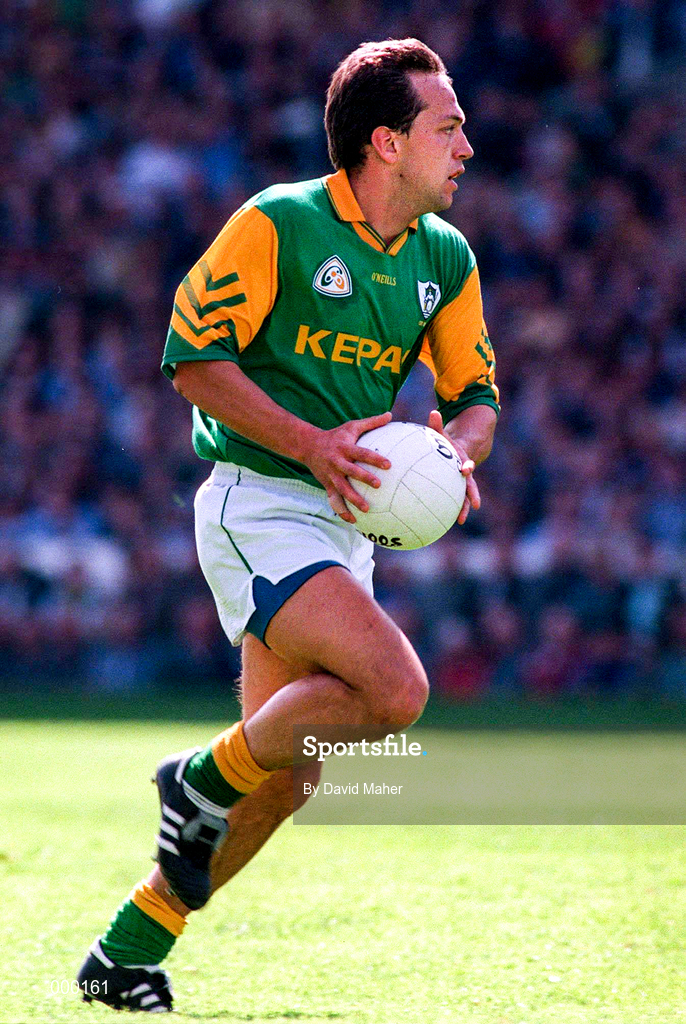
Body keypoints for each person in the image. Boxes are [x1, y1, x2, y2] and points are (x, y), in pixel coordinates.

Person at [77, 37, 499, 1012]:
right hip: (258, 500)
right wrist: (311, 444)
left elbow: (473, 393)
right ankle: (192, 775)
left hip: (346, 523)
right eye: (449, 127)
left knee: (283, 775)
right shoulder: (278, 223)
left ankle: (127, 949)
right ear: (386, 143)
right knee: (394, 691)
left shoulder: (444, 255)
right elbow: (191, 358)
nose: (466, 147)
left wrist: (457, 452)